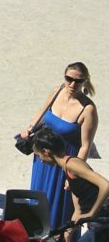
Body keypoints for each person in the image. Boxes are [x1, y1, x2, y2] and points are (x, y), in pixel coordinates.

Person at [19, 62, 99, 230]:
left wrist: (74, 173)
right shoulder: (57, 92)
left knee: (58, 207)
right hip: (43, 157)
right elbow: (42, 112)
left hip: (64, 164)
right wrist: (29, 128)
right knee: (38, 197)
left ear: (85, 81)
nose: (72, 84)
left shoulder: (88, 109)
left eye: (78, 81)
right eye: (68, 79)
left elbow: (85, 146)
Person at [32, 126, 109, 241]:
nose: (41, 161)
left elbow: (105, 185)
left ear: (46, 151)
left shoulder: (72, 164)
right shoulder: (67, 171)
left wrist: (92, 213)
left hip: (103, 221)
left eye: (39, 156)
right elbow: (78, 210)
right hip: (96, 222)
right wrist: (69, 230)